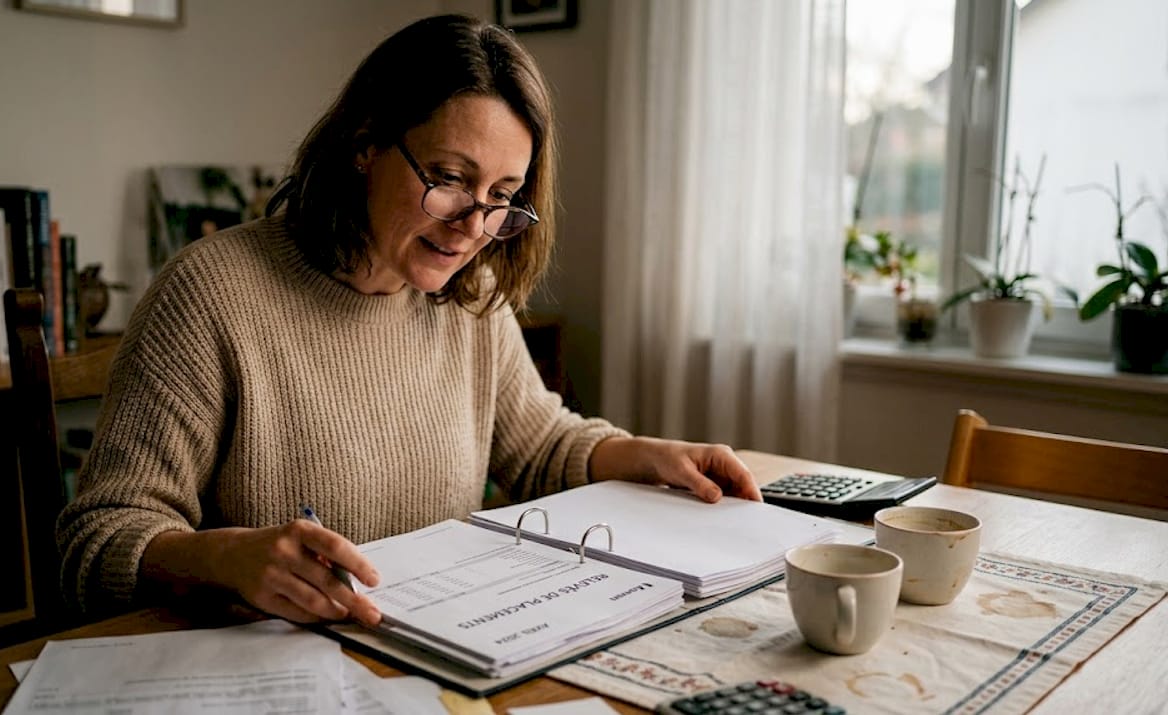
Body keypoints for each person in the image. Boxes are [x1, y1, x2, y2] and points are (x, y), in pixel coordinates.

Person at [57, 14, 761, 626]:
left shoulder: (468, 293)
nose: (473, 225)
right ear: (366, 144)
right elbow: (97, 538)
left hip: (426, 652)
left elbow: (539, 442)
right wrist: (220, 558)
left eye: (502, 195)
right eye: (449, 179)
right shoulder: (211, 294)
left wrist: (648, 454)